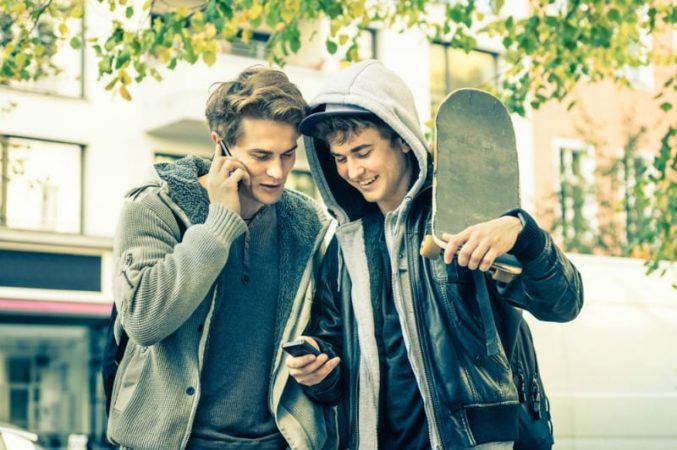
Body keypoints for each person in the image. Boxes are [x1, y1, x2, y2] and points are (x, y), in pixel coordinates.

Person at [286, 60, 584, 449]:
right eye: (340, 158)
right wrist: (318, 369)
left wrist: (524, 234)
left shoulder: (464, 213)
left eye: (362, 152)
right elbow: (337, 373)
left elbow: (563, 303)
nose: (352, 171)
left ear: (403, 139)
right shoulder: (345, 247)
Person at [107, 66, 337, 450]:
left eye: (288, 154)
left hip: (275, 442)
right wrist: (220, 225)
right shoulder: (154, 206)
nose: (277, 171)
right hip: (174, 442)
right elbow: (144, 320)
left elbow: (331, 334)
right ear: (220, 144)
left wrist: (322, 368)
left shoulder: (306, 222)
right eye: (261, 155)